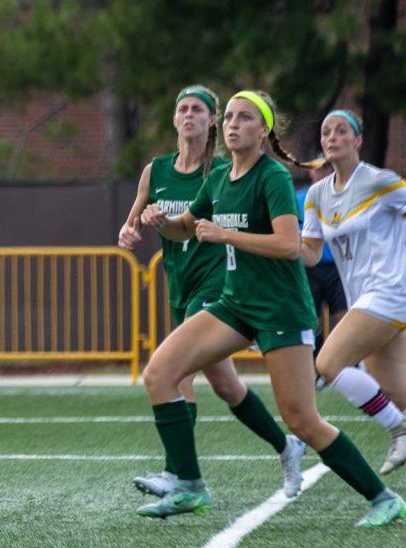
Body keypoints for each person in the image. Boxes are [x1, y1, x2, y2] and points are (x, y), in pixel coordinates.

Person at [140, 90, 404, 526]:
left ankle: (382, 497)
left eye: (244, 118)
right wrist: (162, 223)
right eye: (228, 117)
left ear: (263, 130)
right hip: (235, 304)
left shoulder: (272, 178)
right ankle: (188, 485)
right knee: (160, 373)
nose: (232, 124)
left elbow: (287, 246)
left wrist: (225, 236)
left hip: (281, 310)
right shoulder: (220, 178)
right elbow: (186, 228)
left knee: (301, 419)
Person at [119, 86, 301, 501]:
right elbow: (136, 223)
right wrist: (133, 229)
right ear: (173, 119)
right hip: (179, 281)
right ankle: (287, 444)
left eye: (197, 110)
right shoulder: (156, 170)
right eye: (181, 109)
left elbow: (264, 231)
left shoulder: (221, 170)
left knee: (176, 371)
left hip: (217, 282)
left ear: (210, 121)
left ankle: (179, 474)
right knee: (225, 384)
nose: (188, 116)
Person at [301, 110, 406, 475]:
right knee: (396, 394)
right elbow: (311, 254)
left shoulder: (380, 181)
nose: (332, 137)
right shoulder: (316, 194)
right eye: (326, 132)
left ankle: (399, 431)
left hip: (390, 292)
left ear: (357, 141)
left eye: (341, 131)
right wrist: (271, 245)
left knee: (328, 363)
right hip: (363, 297)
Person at [295, 163, 348, 355]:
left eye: (326, 168)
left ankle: (343, 364)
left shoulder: (342, 197)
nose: (322, 172)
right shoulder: (299, 198)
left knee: (342, 318)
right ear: (310, 172)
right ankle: (313, 366)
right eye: (318, 169)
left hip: (337, 268)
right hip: (310, 269)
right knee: (311, 320)